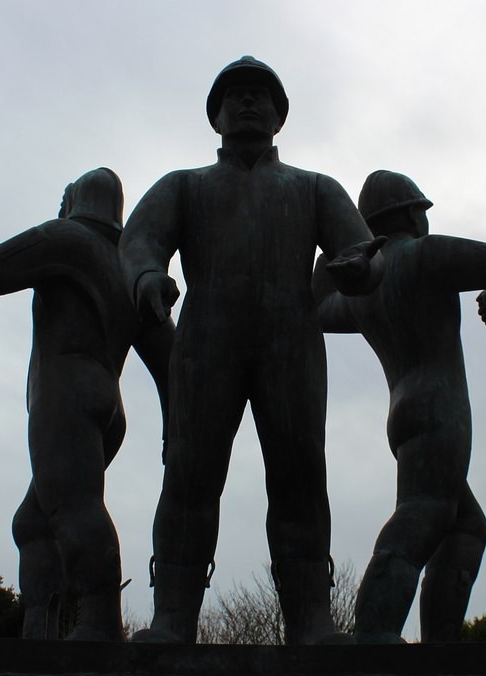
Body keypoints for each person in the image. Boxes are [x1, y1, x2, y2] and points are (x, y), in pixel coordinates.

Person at [118, 56, 385, 645]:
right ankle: (172, 619)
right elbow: (139, 240)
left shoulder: (314, 188)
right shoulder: (185, 185)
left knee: (300, 478)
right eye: (234, 95)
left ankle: (311, 620)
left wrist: (359, 268)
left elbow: (364, 252)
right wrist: (147, 276)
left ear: (279, 117)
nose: (246, 102)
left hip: (291, 341)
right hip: (204, 340)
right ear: (214, 117)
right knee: (189, 476)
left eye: (260, 95)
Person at [312, 171, 486, 643]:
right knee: (425, 513)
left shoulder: (363, 289)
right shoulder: (426, 255)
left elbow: (319, 310)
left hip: (404, 413)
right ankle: (374, 636)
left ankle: (440, 645)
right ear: (414, 215)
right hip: (439, 408)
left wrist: (328, 251)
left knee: (466, 525)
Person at [0, 168, 173, 641]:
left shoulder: (66, 239)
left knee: (74, 511)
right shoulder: (129, 266)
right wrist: (175, 426)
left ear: (75, 200)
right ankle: (40, 628)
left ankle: (100, 621)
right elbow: (169, 359)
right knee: (34, 523)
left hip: (65, 396)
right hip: (107, 405)